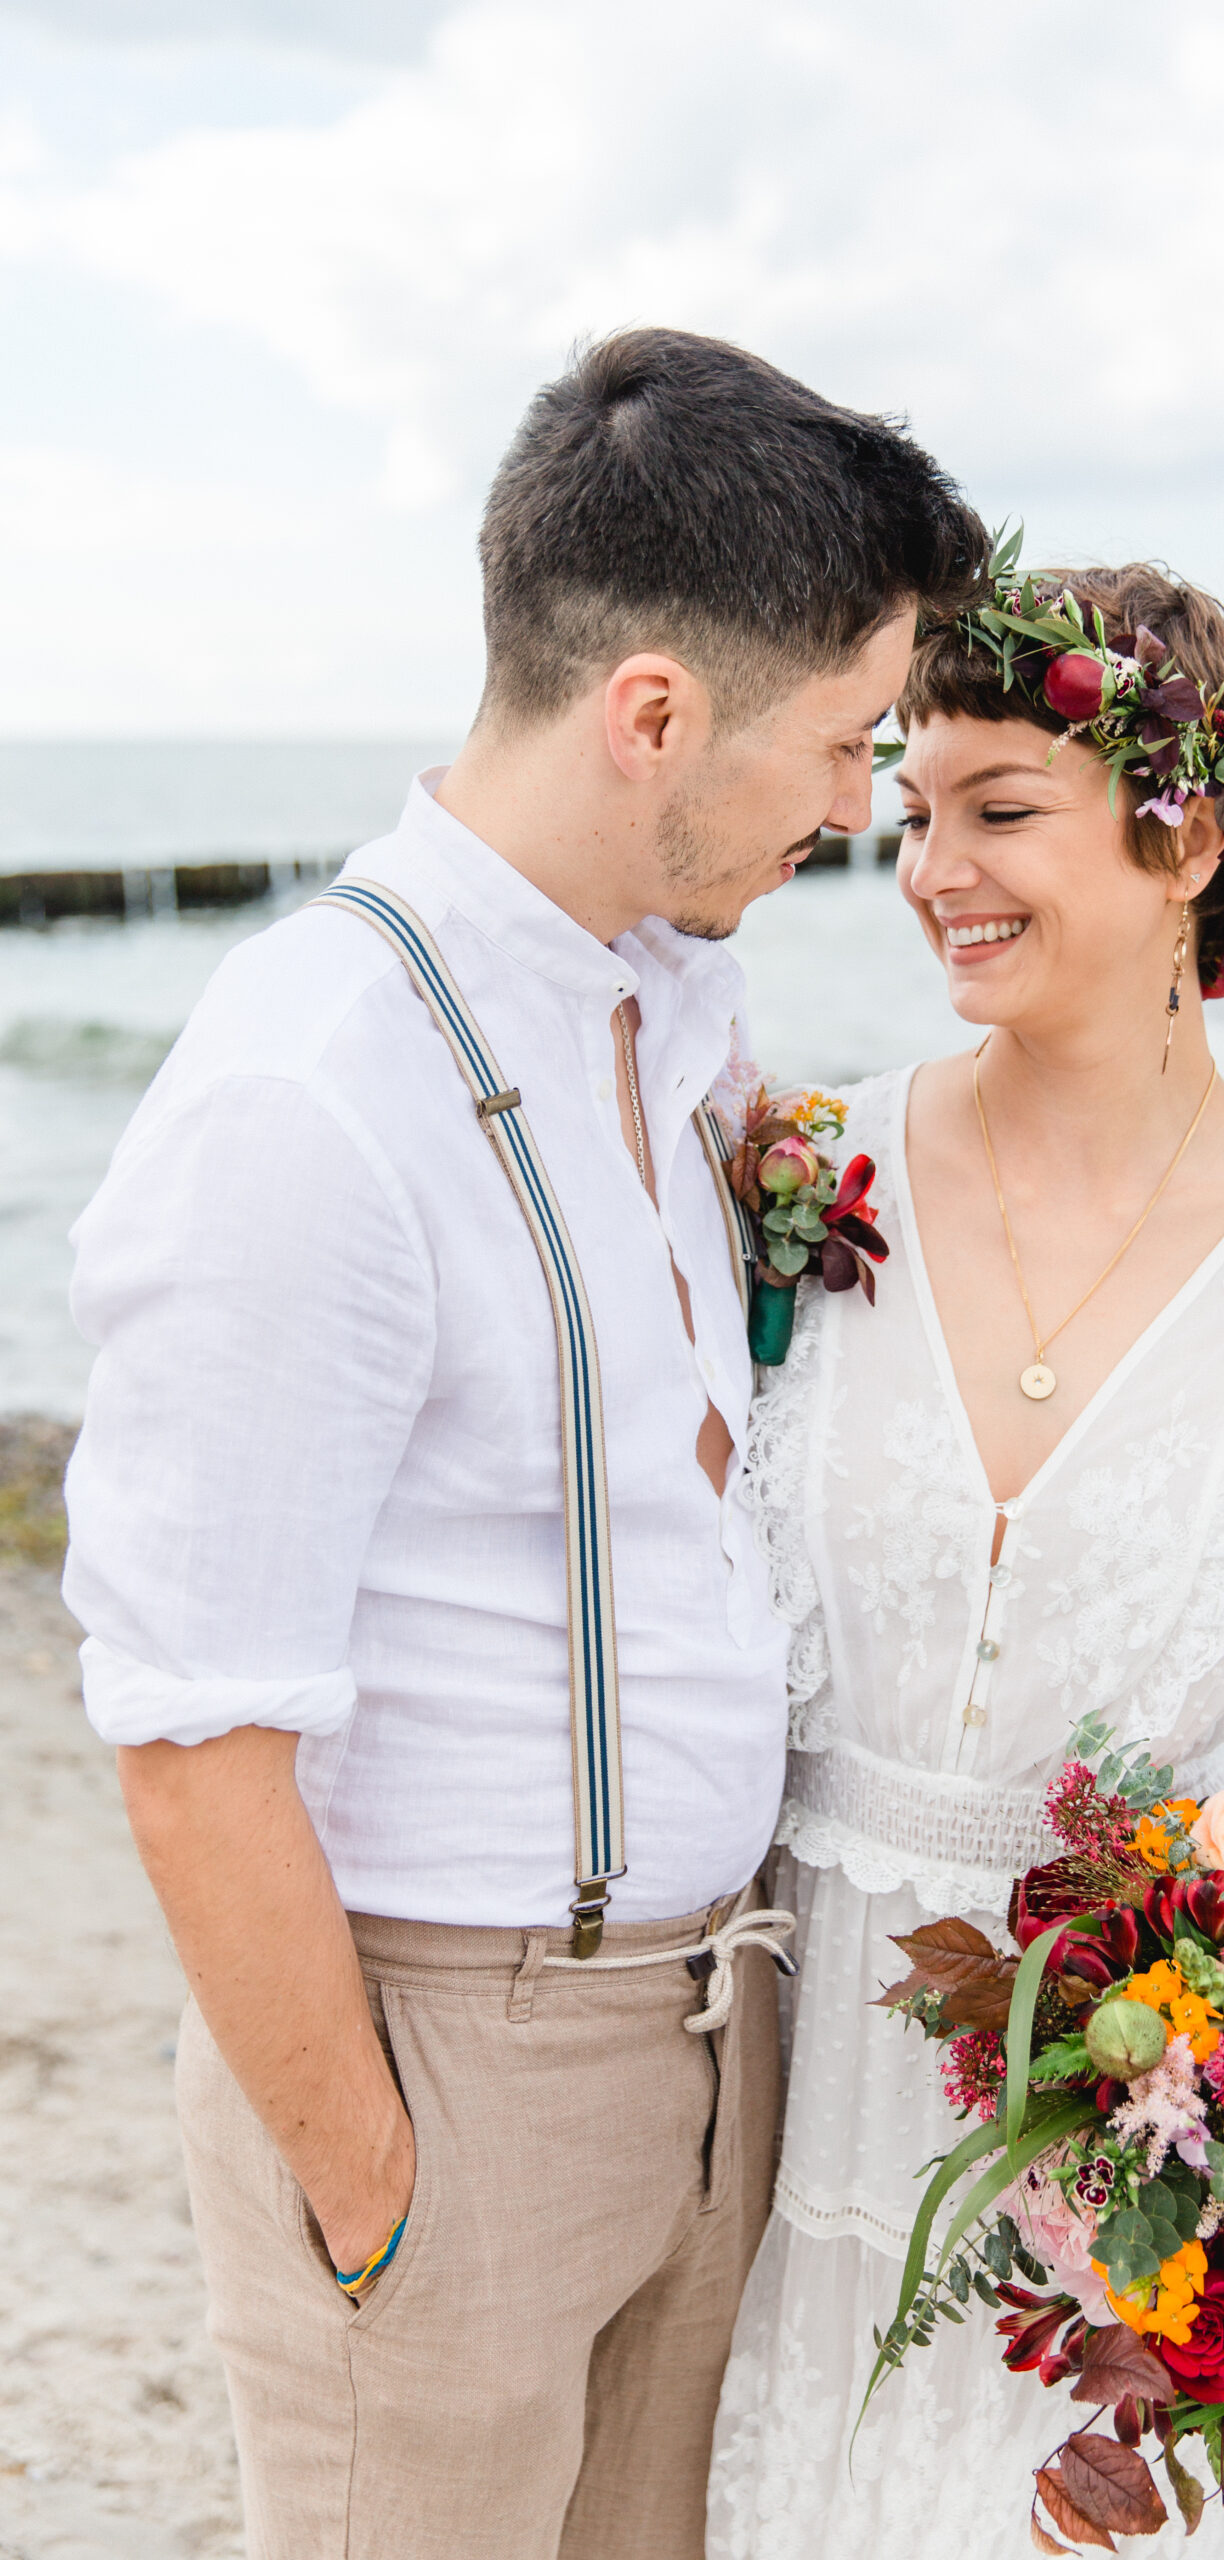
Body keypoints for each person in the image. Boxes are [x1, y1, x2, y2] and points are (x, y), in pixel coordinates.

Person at [61, 327, 984, 2560]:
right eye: (846, 742)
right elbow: (191, 1728)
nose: (857, 804)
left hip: (711, 2032)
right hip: (448, 2058)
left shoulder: (672, 987)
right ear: (650, 712)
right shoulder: (307, 1092)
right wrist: (375, 2186)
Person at [707, 561, 1224, 2557]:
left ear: (1179, 834)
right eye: (912, 807)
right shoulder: (801, 1167)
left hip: (1111, 2153)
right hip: (779, 2105)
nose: (925, 861)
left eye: (997, 809)